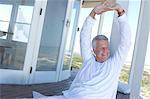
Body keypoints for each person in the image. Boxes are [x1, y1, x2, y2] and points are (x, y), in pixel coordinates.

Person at [33, 1, 131, 99]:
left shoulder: (114, 64)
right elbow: (84, 36)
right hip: (72, 96)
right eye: (101, 48)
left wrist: (120, 12)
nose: (105, 51)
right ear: (93, 51)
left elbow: (125, 42)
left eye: (106, 47)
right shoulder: (89, 60)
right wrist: (93, 13)